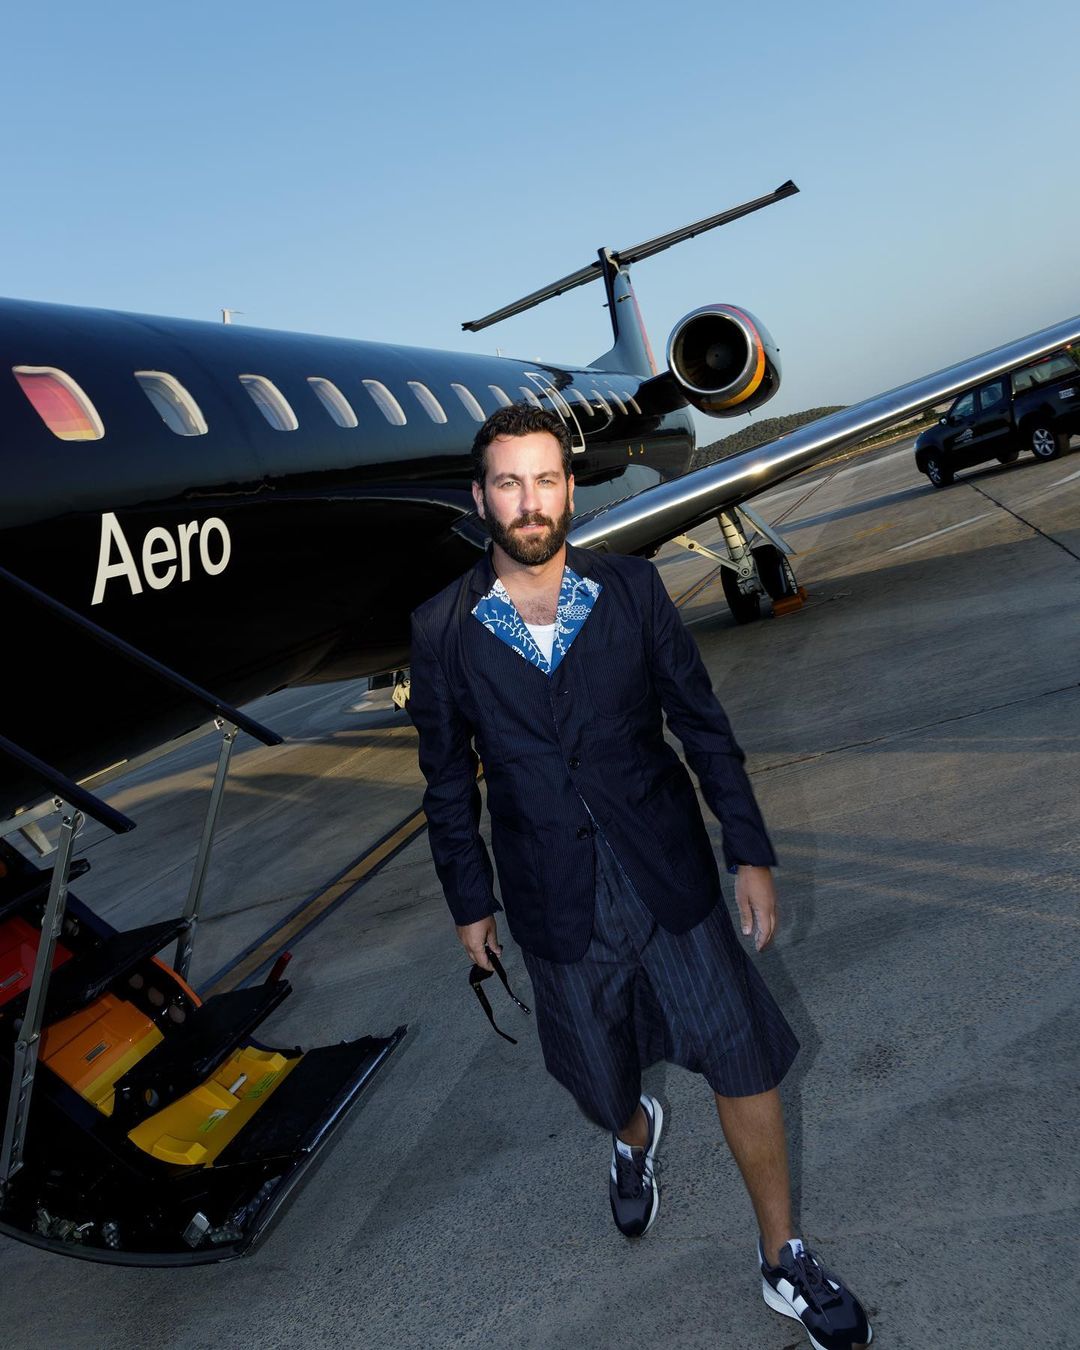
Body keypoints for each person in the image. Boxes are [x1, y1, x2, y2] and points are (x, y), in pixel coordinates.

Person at [409, 405, 872, 1350]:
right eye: (509, 483)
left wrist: (748, 851)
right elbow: (447, 782)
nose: (530, 502)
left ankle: (782, 1255)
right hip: (553, 894)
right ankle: (632, 1134)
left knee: (741, 1055)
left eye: (545, 480)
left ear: (570, 490)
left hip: (668, 873)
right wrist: (470, 902)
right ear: (480, 497)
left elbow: (700, 723)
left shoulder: (630, 589)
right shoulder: (442, 628)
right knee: (598, 1077)